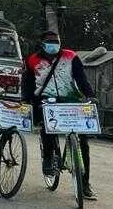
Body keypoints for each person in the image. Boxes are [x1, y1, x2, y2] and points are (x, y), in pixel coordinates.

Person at [22, 30, 97, 200]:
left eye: (56, 41)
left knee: (83, 142)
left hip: (71, 99)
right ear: (42, 44)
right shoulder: (31, 60)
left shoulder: (71, 57)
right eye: (50, 42)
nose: (53, 45)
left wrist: (90, 95)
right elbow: (27, 82)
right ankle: (48, 158)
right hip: (45, 99)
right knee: (48, 128)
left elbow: (81, 79)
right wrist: (26, 100)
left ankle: (85, 183)